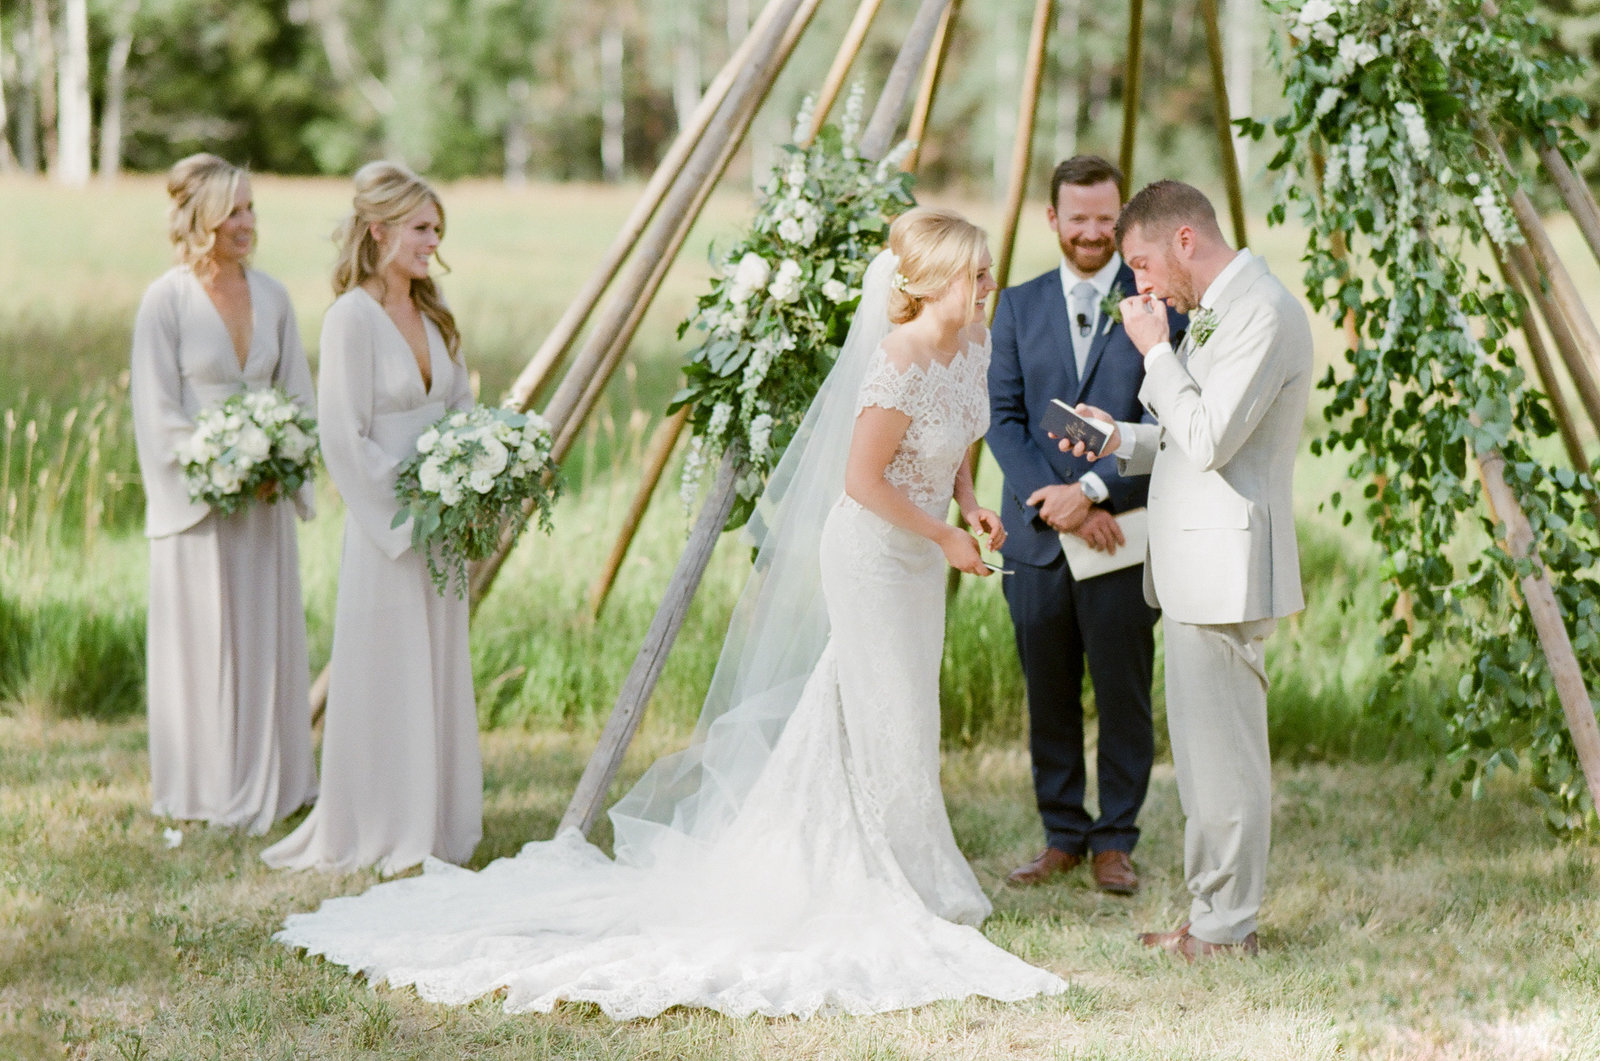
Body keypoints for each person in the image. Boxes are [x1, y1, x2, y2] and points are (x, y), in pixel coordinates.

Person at [267, 207, 1068, 1018]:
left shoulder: (973, 345)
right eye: (975, 275)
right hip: (872, 554)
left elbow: (954, 443)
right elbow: (863, 482)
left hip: (924, 554)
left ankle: (908, 857)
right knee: (877, 703)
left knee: (904, 707)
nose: (988, 287)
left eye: (986, 273)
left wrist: (969, 506)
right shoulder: (895, 360)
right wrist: (941, 532)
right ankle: (863, 868)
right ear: (930, 283)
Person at [1065, 180, 1312, 959]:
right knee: (1204, 764)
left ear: (1183, 241)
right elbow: (1183, 434)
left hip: (1225, 563)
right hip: (1193, 565)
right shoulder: (1220, 311)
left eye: (1140, 263)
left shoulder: (1262, 313)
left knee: (1227, 763)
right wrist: (1119, 440)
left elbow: (1208, 438)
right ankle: (1209, 917)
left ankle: (1227, 928)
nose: (1138, 285)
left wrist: (1154, 350)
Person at [262, 161, 481, 875]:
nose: (433, 242)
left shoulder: (436, 309)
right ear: (380, 230)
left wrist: (471, 471)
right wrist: (408, 502)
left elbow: (458, 408)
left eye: (437, 230)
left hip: (442, 525)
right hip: (388, 528)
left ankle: (437, 820)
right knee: (390, 669)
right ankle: (385, 818)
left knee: (439, 666)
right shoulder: (350, 318)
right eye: (422, 228)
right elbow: (341, 437)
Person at [987, 155, 1175, 894]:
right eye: (1080, 219)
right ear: (1053, 220)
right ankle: (1062, 832)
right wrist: (1052, 499)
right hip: (1037, 538)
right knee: (1048, 689)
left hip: (1120, 533)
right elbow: (1001, 421)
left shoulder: (1158, 310)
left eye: (1106, 219)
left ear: (1122, 218)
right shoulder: (1015, 306)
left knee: (1124, 689)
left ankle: (1116, 839)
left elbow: (1164, 419)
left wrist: (1094, 490)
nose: (1093, 233)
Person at [130, 153, 317, 835]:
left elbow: (298, 391)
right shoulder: (166, 300)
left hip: (265, 500)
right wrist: (218, 468)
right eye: (234, 211)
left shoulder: (273, 296)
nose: (247, 223)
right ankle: (202, 786)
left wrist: (284, 458)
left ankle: (281, 777)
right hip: (199, 501)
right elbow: (155, 409)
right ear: (201, 220)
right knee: (202, 642)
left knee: (264, 637)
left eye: (251, 209)